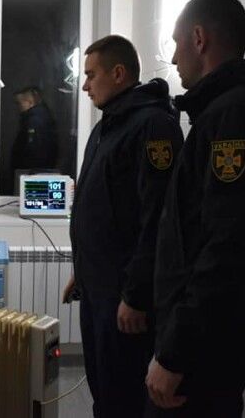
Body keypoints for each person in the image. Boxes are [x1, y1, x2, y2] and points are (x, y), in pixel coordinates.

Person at [146, 0, 245, 417]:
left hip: (203, 352)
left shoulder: (238, 115)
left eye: (177, 44)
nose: (173, 58)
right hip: (203, 342)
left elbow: (232, 247)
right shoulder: (226, 110)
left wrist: (175, 352)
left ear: (199, 39)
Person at [63, 35, 184, 418]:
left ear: (118, 74)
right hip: (97, 288)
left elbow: (158, 221)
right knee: (103, 390)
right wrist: (82, 270)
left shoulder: (153, 127)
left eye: (91, 75)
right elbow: (104, 210)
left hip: (125, 300)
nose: (85, 86)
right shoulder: (107, 127)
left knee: (123, 398)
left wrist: (136, 295)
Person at [11, 86, 58, 180]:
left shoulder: (34, 121)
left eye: (19, 103)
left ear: (30, 102)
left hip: (33, 174)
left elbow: (34, 150)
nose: (18, 107)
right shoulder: (40, 117)